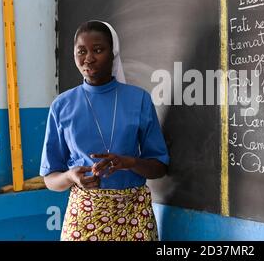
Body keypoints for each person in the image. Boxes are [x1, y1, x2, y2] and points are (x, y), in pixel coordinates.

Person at [40, 20, 169, 241]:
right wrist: (71, 176)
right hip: (84, 215)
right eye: (81, 51)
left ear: (113, 53)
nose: (88, 58)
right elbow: (50, 179)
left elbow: (159, 167)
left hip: (133, 214)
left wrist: (131, 163)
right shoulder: (62, 106)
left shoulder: (139, 99)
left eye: (98, 50)